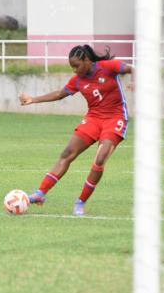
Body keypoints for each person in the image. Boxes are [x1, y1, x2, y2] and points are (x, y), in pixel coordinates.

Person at [19, 44, 133, 216]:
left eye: (76, 65)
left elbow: (132, 69)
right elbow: (59, 94)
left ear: (87, 60)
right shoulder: (78, 80)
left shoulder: (108, 67)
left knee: (100, 159)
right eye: (72, 66)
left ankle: (80, 202)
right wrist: (32, 100)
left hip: (115, 118)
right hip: (93, 119)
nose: (74, 70)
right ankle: (40, 193)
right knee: (67, 154)